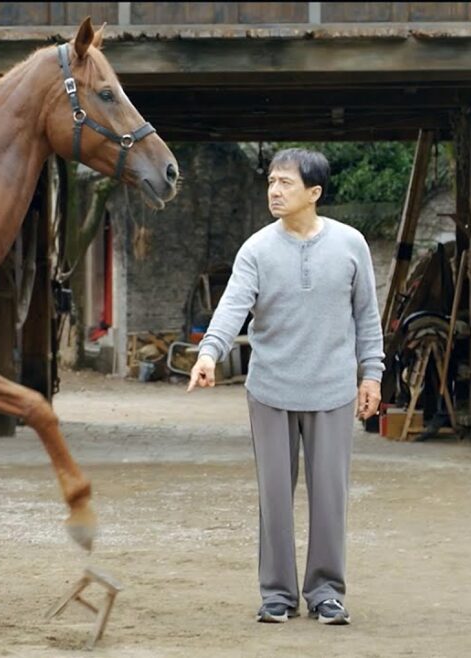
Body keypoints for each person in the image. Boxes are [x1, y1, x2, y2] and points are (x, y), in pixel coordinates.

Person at [187, 148, 384, 626]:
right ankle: (276, 594)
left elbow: (367, 317)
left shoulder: (351, 244)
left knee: (330, 496)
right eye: (271, 181)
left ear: (313, 193)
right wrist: (208, 354)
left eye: (286, 183)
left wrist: (372, 374)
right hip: (271, 389)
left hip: (333, 390)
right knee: (274, 495)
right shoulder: (256, 248)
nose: (274, 191)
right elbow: (232, 306)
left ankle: (326, 592)